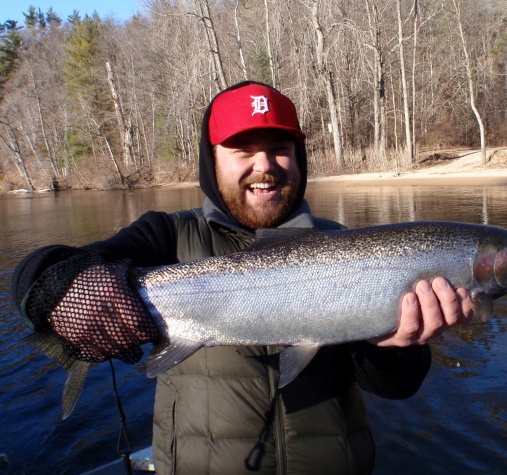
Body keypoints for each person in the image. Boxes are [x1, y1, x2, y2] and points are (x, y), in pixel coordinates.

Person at [13, 81, 473, 474]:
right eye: (242, 151)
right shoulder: (165, 235)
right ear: (211, 160)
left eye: (279, 149)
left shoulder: (348, 249)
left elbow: (395, 388)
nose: (264, 165)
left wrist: (396, 347)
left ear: (299, 157)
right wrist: (63, 286)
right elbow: (41, 271)